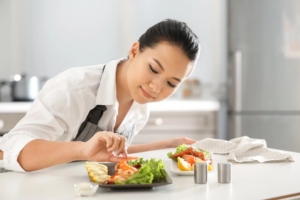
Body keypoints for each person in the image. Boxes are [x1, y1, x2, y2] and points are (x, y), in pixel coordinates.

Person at [0, 19, 200, 172]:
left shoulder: (140, 109)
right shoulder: (74, 88)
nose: (156, 88)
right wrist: (81, 150)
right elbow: (10, 149)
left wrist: (168, 145)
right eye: (154, 69)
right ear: (134, 51)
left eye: (171, 83)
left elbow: (106, 154)